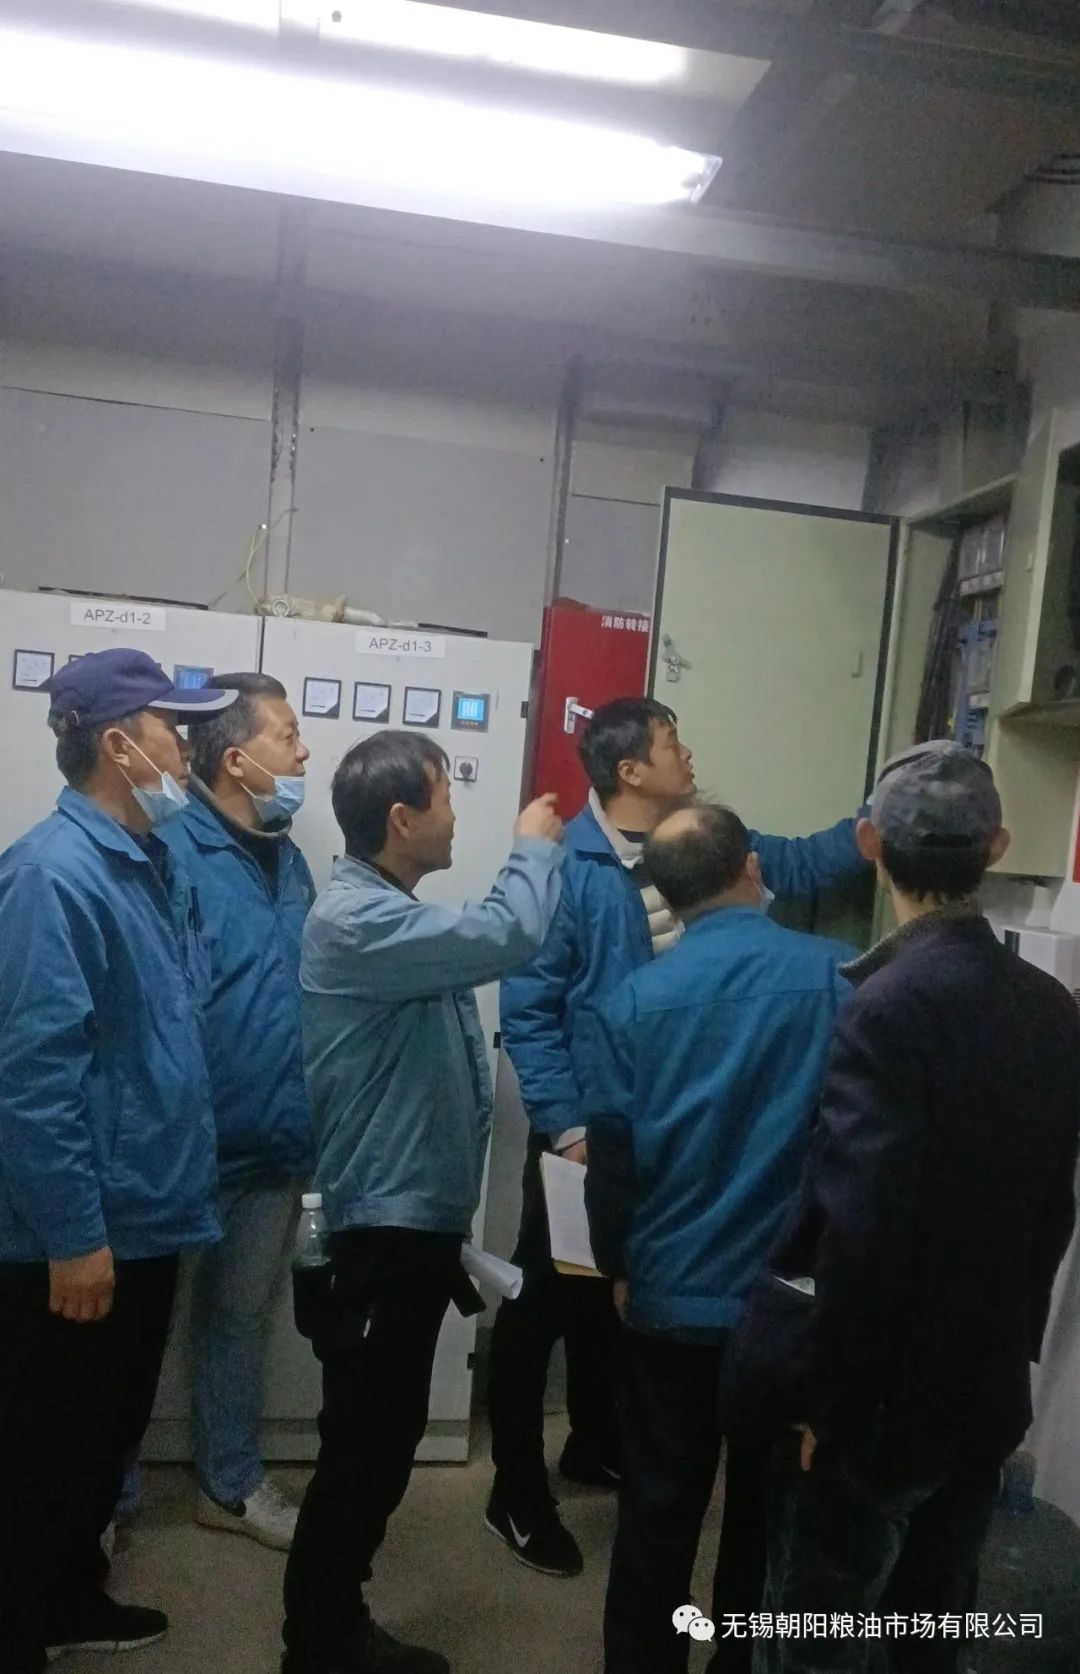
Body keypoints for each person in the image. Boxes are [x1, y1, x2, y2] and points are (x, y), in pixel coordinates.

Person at [486, 696, 871, 1577]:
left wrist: (882, 821)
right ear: (630, 771)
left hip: (677, 1123)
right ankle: (515, 1492)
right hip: (590, 1130)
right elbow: (530, 1013)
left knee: (625, 1304)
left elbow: (802, 860)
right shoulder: (571, 866)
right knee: (544, 1308)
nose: (688, 754)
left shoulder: (705, 841)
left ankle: (596, 1445)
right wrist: (571, 1131)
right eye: (671, 744)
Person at [754, 741, 1080, 1674]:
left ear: (870, 843)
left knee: (819, 1639)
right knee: (930, 1627)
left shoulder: (887, 1004)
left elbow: (861, 1229)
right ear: (996, 846)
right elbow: (1050, 1212)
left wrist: (830, 1405)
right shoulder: (1050, 1005)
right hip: (985, 1386)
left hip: (884, 1407)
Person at [281, 731, 565, 1674]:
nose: (454, 816)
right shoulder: (357, 923)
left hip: (408, 1224)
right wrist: (533, 848)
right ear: (402, 819)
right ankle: (319, 1643)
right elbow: (509, 934)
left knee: (383, 1433)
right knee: (364, 1445)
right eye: (444, 797)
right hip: (380, 1231)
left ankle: (333, 1623)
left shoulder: (389, 917)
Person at [0, 648, 236, 1674]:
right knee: (43, 1449)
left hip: (146, 1209)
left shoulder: (150, 860)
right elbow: (30, 1081)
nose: (186, 748)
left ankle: (64, 1599)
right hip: (80, 1230)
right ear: (117, 744)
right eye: (172, 729)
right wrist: (73, 1237)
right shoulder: (53, 877)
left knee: (102, 1438)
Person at [583, 803, 854, 1674]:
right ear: (752, 868)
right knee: (765, 1521)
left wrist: (618, 1265)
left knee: (657, 1512)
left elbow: (612, 1163)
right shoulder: (835, 977)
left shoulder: (632, 1000)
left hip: (668, 1297)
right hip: (788, 1304)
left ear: (667, 896)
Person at [159, 671, 315, 1550]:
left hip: (274, 1138)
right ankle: (100, 1504)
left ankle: (229, 1483)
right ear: (234, 759)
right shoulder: (166, 847)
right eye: (287, 735)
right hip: (179, 1144)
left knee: (239, 1318)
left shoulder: (289, 858)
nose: (303, 751)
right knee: (128, 1330)